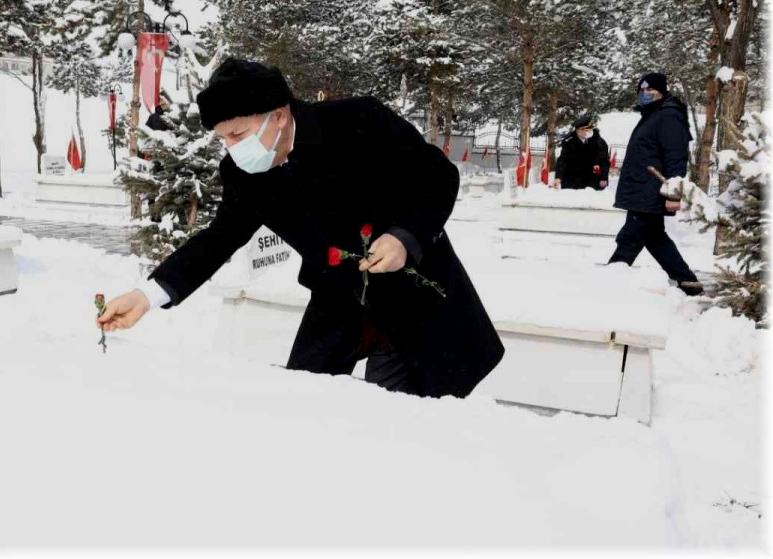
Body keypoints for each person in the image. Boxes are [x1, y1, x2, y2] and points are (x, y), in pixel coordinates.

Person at [96, 58, 504, 399]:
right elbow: (219, 237)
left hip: (414, 295)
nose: (233, 148)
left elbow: (437, 178)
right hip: (338, 300)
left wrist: (404, 236)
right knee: (305, 401)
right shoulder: (244, 173)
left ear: (278, 114)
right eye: (223, 139)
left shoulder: (359, 122)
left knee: (395, 416)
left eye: (238, 134)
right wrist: (147, 294)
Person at [608, 72, 703, 296]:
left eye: (651, 90)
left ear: (662, 91)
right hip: (642, 187)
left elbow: (675, 157)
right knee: (654, 238)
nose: (645, 94)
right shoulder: (652, 114)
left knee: (630, 238)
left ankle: (610, 281)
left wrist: (673, 194)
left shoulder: (668, 116)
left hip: (651, 189)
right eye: (642, 91)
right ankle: (689, 284)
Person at [554, 113, 611, 190]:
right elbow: (563, 160)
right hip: (573, 182)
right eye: (586, 130)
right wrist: (558, 177)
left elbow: (604, 161)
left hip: (592, 181)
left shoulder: (599, 142)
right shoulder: (569, 142)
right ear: (578, 131)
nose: (590, 132)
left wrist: (603, 178)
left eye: (590, 129)